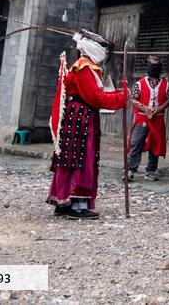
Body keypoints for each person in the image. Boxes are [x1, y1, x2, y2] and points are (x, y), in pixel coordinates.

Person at [47, 29, 127, 219]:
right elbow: (95, 97)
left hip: (77, 117)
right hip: (80, 120)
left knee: (71, 158)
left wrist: (117, 95)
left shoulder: (84, 67)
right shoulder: (84, 69)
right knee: (81, 158)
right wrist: (121, 97)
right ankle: (76, 203)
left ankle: (64, 201)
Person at [126, 55, 169, 182]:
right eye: (152, 66)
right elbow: (133, 100)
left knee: (155, 143)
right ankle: (131, 169)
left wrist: (160, 108)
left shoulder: (166, 85)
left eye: (157, 66)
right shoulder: (139, 84)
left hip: (158, 118)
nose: (154, 68)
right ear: (149, 68)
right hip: (142, 117)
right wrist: (145, 109)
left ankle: (151, 171)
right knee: (136, 142)